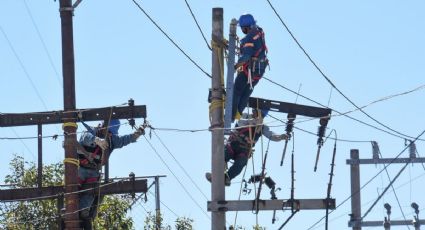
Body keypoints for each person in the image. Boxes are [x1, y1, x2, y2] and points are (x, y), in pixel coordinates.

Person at [77, 119, 144, 229]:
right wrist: (97, 140)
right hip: (79, 168)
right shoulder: (91, 131)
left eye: (111, 133)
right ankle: (70, 212)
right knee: (73, 192)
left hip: (94, 171)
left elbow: (125, 139)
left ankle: (84, 215)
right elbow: (85, 137)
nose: (109, 134)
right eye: (108, 131)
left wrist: (138, 133)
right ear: (102, 126)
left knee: (89, 196)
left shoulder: (112, 139)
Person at [206, 109, 287, 186]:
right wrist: (251, 121)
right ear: (254, 111)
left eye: (262, 115)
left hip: (244, 150)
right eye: (259, 113)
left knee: (241, 162)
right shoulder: (245, 115)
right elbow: (240, 122)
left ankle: (227, 178)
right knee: (224, 156)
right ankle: (216, 175)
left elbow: (271, 135)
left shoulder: (262, 127)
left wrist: (281, 137)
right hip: (233, 144)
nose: (260, 116)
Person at [232, 14, 269, 122]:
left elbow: (247, 56)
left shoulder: (249, 37)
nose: (242, 30)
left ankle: (230, 116)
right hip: (259, 70)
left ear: (246, 27)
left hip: (249, 69)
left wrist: (235, 66)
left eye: (242, 28)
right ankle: (236, 115)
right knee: (246, 93)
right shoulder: (259, 32)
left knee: (236, 91)